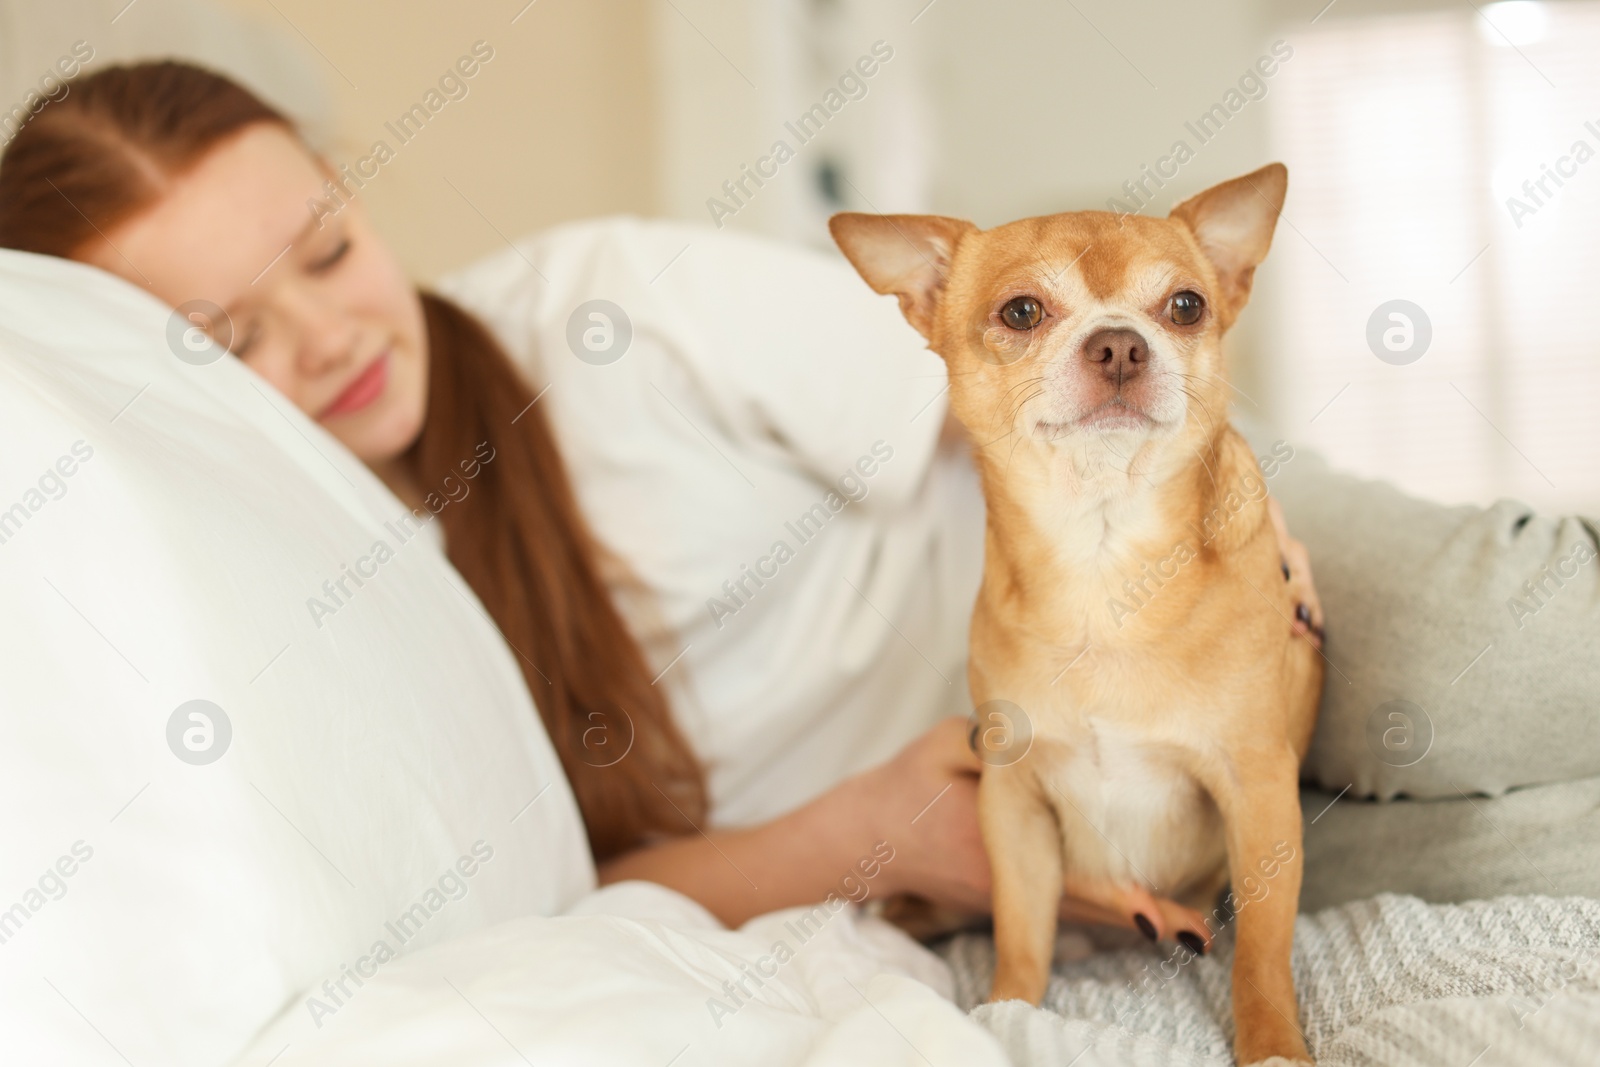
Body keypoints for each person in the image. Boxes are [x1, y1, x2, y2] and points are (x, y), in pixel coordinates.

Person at [0, 61, 1336, 944]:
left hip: (1201, 540)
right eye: (226, 341)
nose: (327, 338)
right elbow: (571, 899)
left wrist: (1249, 549)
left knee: (1504, 669)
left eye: (332, 249)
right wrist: (880, 837)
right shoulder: (299, 616)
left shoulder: (613, 315)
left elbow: (1023, 396)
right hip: (1060, 826)